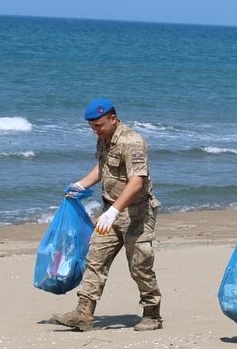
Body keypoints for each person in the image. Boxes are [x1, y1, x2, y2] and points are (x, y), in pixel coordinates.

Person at [51, 98, 163, 332]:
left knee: (140, 265)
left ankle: (152, 313)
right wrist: (80, 185)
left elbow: (136, 182)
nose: (95, 131)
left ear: (113, 118)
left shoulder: (132, 141)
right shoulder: (104, 139)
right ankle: (83, 312)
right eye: (92, 127)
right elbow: (102, 168)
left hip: (137, 214)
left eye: (99, 125)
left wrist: (114, 211)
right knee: (95, 258)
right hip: (110, 213)